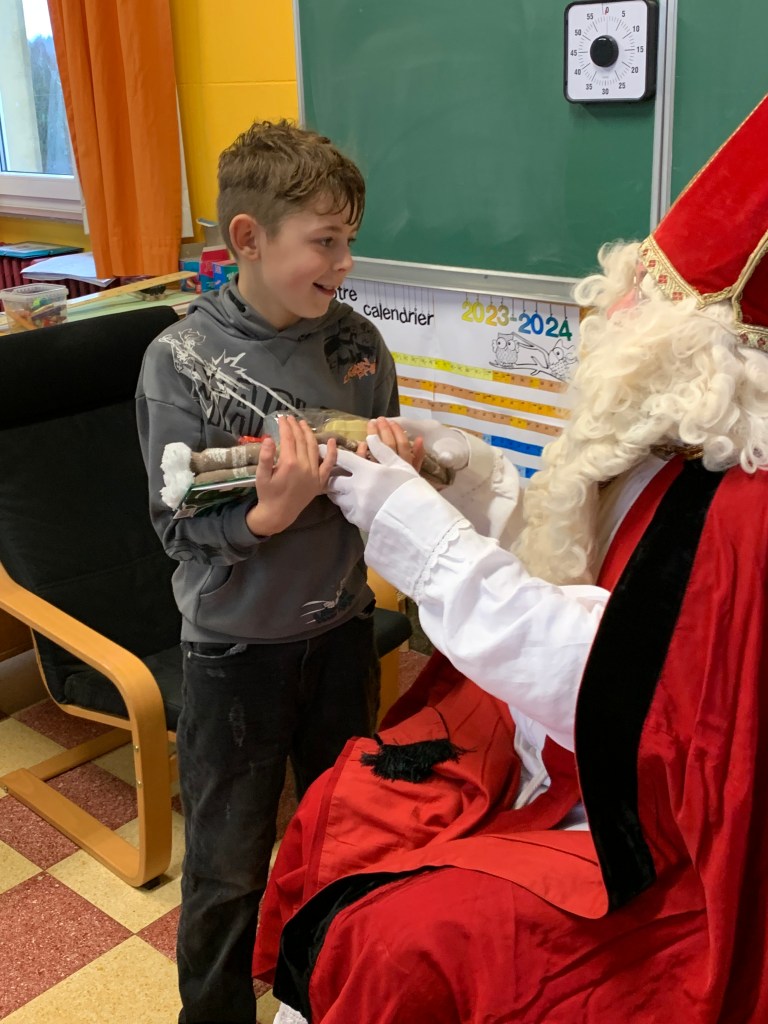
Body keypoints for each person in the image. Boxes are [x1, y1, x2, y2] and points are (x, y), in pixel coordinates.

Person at [252, 96, 768, 1023]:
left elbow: (629, 688)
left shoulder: (746, 508)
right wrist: (459, 478)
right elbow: (578, 559)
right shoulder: (678, 435)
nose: (614, 310)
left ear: (706, 350)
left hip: (661, 835)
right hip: (555, 739)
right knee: (349, 801)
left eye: (643, 300)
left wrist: (421, 534)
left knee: (401, 942)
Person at [136, 119, 400, 1024]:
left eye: (350, 240)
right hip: (234, 652)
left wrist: (396, 462)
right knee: (228, 864)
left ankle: (318, 998)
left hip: (342, 631)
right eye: (325, 241)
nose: (344, 262)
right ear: (248, 238)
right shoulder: (180, 361)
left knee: (344, 836)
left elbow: (376, 479)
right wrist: (267, 516)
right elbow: (176, 525)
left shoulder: (357, 345)